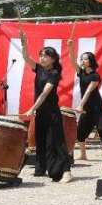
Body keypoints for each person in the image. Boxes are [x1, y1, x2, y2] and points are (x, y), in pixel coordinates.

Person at [20, 29, 72, 183]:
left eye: (45, 55)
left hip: (51, 113)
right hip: (41, 112)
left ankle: (66, 171)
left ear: (53, 59)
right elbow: (25, 57)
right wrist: (24, 43)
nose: (42, 58)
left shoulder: (54, 74)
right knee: (40, 140)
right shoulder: (39, 69)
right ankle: (41, 168)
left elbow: (44, 93)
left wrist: (32, 108)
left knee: (56, 141)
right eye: (41, 55)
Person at [66, 39, 102, 161]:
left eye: (85, 59)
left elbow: (88, 92)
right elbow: (72, 61)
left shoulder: (95, 76)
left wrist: (80, 105)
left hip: (96, 107)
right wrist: (70, 47)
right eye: (82, 59)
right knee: (80, 132)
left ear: (91, 61)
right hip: (86, 108)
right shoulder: (81, 72)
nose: (82, 61)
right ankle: (83, 154)